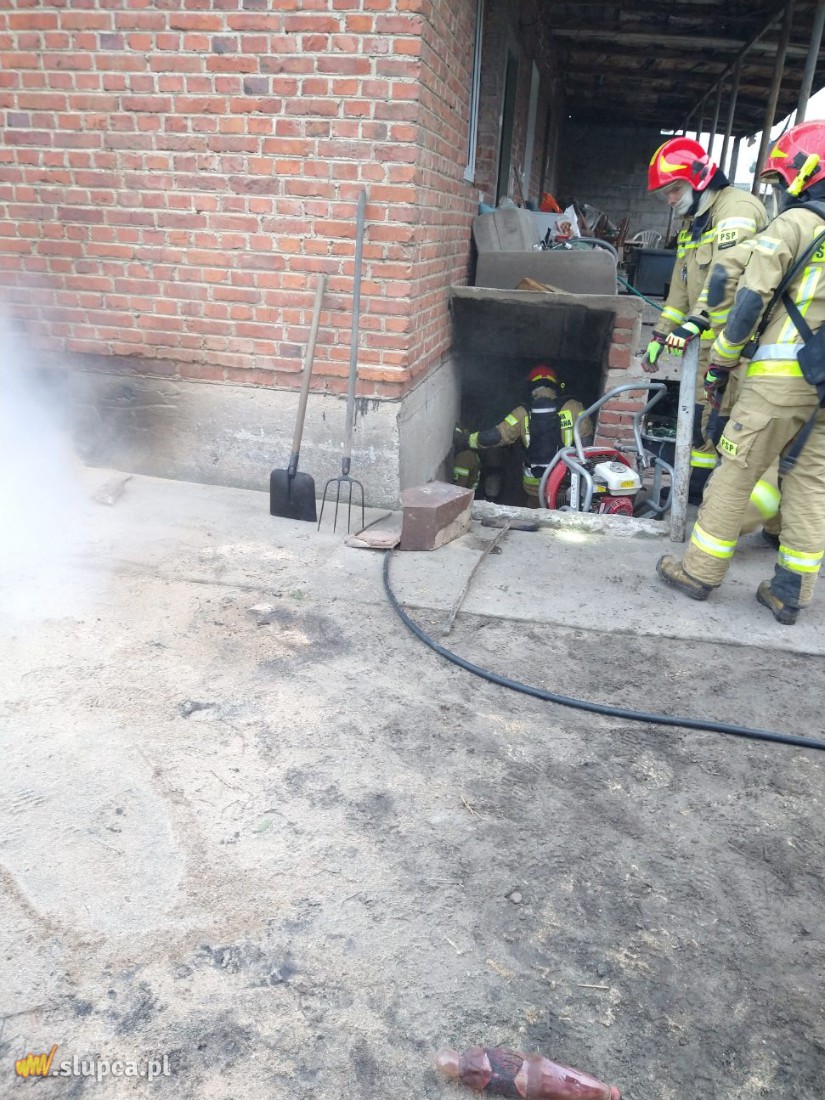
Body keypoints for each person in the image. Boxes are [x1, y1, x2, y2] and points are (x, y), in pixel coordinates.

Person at [656, 120, 825, 625]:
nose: (780, 189)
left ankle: (699, 571)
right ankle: (791, 593)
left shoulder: (796, 224)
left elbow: (747, 294)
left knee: (735, 471)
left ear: (805, 173)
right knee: (811, 482)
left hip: (781, 377)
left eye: (782, 178)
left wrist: (724, 360)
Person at [642, 136, 769, 500]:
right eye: (664, 194)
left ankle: (725, 503)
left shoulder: (738, 209)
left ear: (699, 179)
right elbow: (681, 288)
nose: (670, 200)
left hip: (738, 349)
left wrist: (697, 321)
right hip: (708, 347)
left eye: (674, 189)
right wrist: (661, 332)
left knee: (725, 427)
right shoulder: (695, 222)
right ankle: (694, 494)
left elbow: (726, 275)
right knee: (700, 423)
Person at [452, 364, 592, 506]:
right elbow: (586, 444)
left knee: (534, 511)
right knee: (562, 510)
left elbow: (495, 437)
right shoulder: (574, 407)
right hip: (564, 481)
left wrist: (465, 439)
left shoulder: (522, 412)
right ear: (555, 385)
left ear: (530, 388)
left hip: (533, 485)